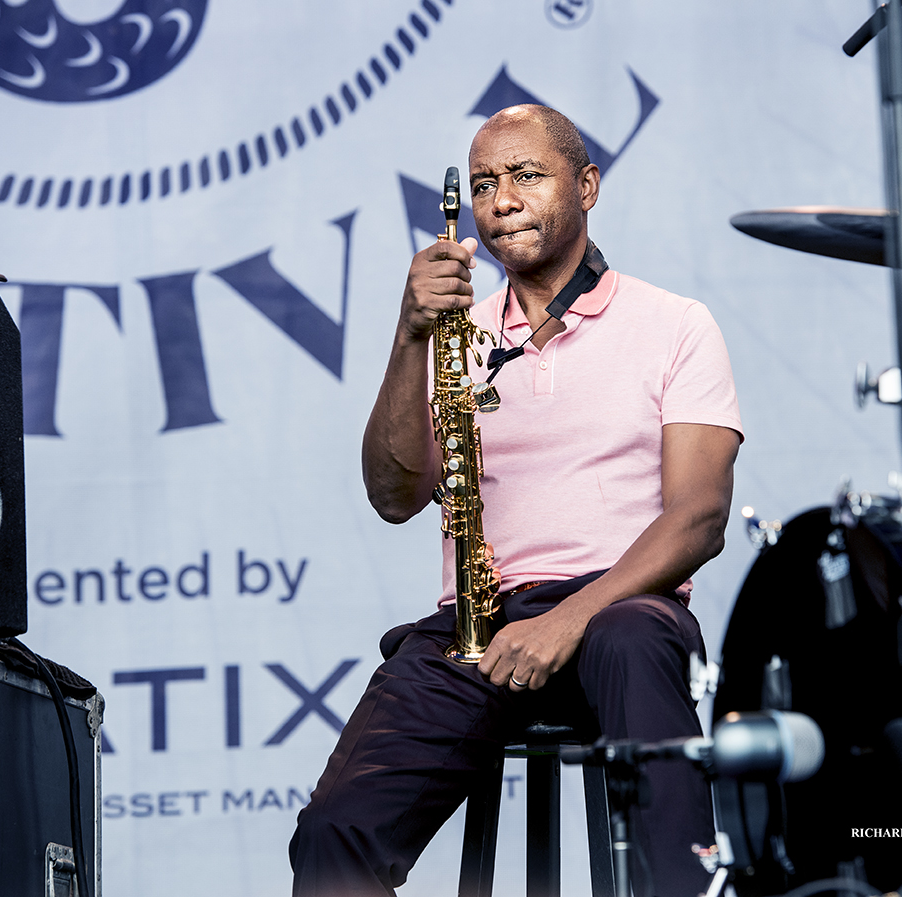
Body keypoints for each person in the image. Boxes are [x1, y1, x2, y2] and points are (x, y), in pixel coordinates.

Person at [290, 104, 743, 897]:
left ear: (588, 185)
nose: (500, 199)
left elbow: (699, 517)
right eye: (484, 184)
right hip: (478, 621)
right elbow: (394, 496)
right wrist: (411, 332)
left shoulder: (676, 324)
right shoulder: (455, 335)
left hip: (620, 607)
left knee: (636, 644)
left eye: (527, 175)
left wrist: (567, 620)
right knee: (334, 834)